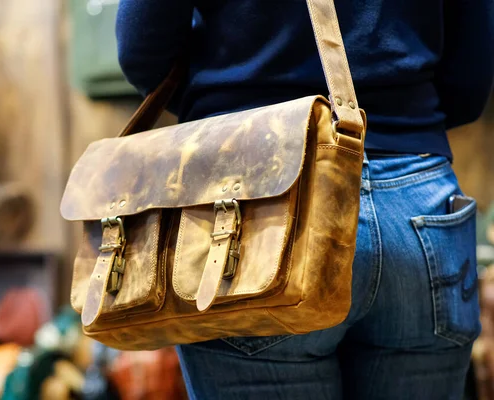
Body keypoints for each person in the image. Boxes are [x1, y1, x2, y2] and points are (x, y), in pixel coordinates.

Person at [115, 0, 494, 398]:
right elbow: (469, 82)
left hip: (251, 207)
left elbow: (143, 50)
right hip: (419, 207)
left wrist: (227, 107)